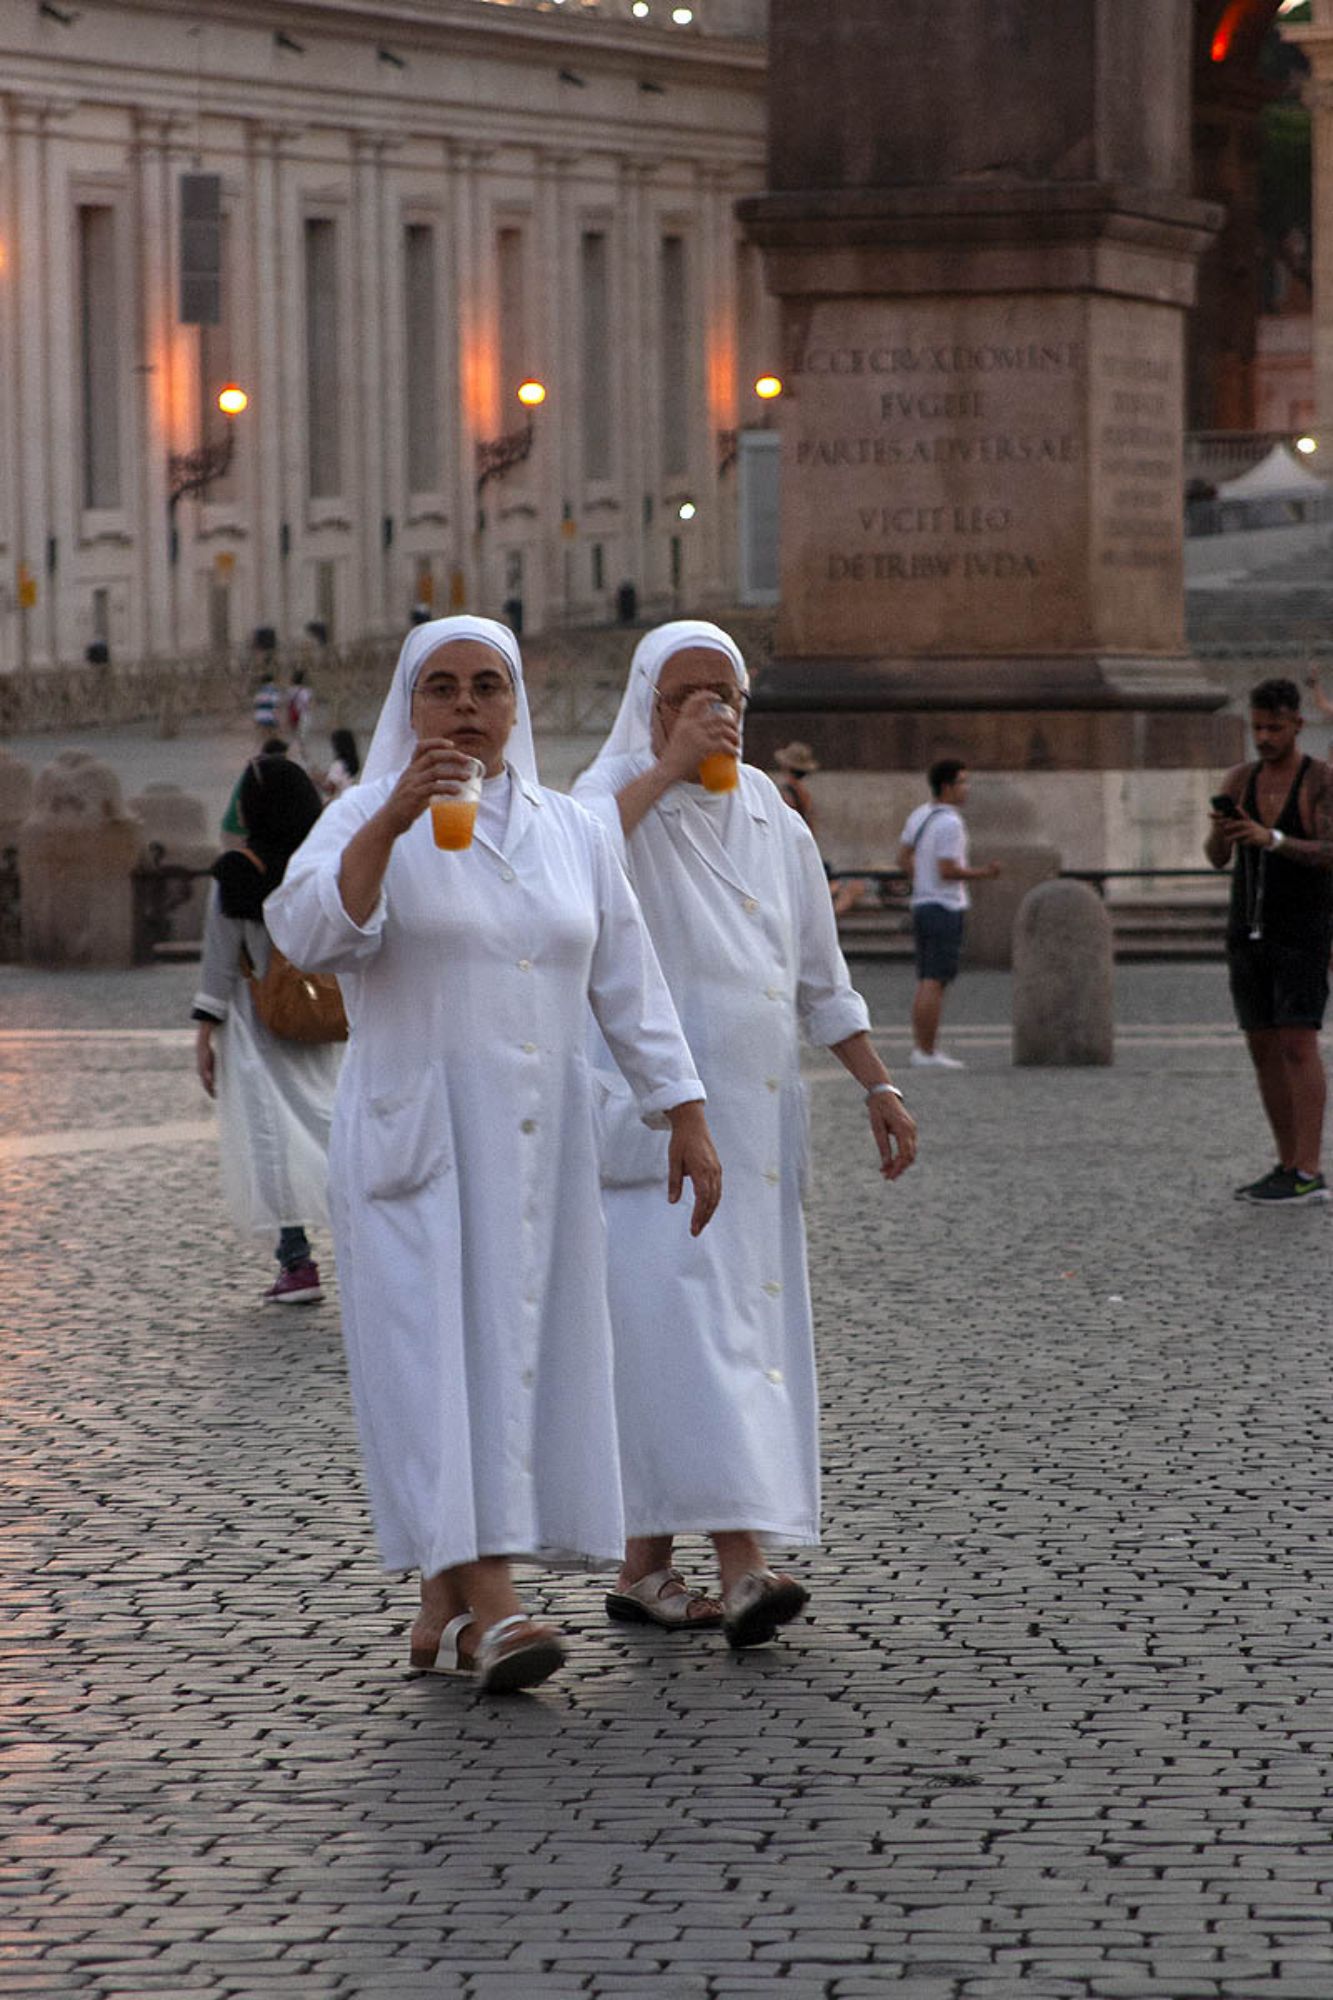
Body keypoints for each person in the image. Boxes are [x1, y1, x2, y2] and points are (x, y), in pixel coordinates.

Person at [265, 614, 721, 1695]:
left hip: (541, 1146)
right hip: (420, 1144)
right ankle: (496, 1607)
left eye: (487, 685)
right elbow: (310, 934)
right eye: (442, 686)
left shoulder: (574, 831)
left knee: (518, 1369)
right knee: (437, 1370)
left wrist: (684, 1109)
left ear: (516, 705)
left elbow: (628, 980)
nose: (466, 705)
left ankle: (450, 1597)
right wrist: (391, 821)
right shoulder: (360, 817)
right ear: (409, 703)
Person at [573, 620, 916, 1650]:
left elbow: (818, 972)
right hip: (656, 1129)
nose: (710, 711)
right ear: (646, 703)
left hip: (756, 1127)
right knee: (688, 1333)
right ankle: (744, 1563)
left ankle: (644, 1565)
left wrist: (875, 1080)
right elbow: (569, 867)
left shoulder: (771, 811)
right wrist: (665, 767)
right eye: (685, 696)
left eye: (724, 695)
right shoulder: (610, 798)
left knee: (718, 1339)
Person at [192, 756, 343, 1304]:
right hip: (320, 1018)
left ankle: (297, 1262)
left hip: (260, 1026)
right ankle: (369, 1232)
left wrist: (204, 1032)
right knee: (331, 1125)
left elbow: (220, 959)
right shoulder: (323, 863)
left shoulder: (239, 870)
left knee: (271, 1138)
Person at [1206, 676, 1333, 1204]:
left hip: (1301, 927)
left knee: (1298, 1043)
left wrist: (1272, 838)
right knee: (1262, 1048)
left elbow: (1329, 851)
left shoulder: (1320, 780)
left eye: (1274, 728)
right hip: (1247, 928)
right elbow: (1217, 858)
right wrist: (1223, 830)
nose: (1264, 738)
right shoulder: (1241, 779)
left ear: (1298, 724)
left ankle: (1310, 1169)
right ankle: (1285, 1162)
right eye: (1257, 728)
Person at [898, 758, 1000, 1070]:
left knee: (927, 979)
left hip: (923, 903)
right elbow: (948, 870)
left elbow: (903, 856)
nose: (966, 788)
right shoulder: (951, 823)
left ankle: (923, 1047)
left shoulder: (920, 814)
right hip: (944, 905)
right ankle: (926, 1050)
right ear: (947, 786)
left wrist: (920, 881)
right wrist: (986, 873)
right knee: (935, 980)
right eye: (962, 782)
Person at [772, 741, 864, 918]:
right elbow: (811, 830)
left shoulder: (785, 794)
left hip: (791, 855)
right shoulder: (804, 794)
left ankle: (828, 912)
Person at [320, 728, 360, 800]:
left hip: (340, 799)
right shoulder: (353, 764)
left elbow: (330, 788)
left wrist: (316, 781)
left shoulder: (338, 765)